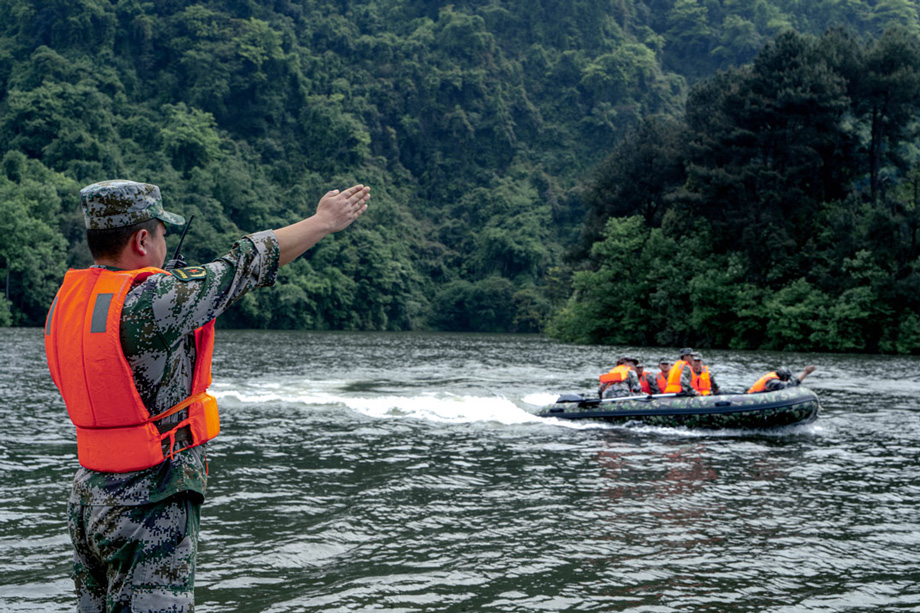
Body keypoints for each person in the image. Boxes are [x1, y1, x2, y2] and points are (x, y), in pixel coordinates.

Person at [44, 179, 370, 611]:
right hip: (149, 499)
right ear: (142, 240)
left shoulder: (68, 302)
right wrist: (323, 221)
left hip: (89, 496)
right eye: (161, 233)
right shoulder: (155, 300)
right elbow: (245, 263)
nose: (163, 243)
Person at [747, 365, 817, 394]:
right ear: (784, 378)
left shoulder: (773, 375)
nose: (786, 381)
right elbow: (791, 385)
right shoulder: (773, 382)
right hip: (753, 397)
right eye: (786, 379)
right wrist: (805, 373)